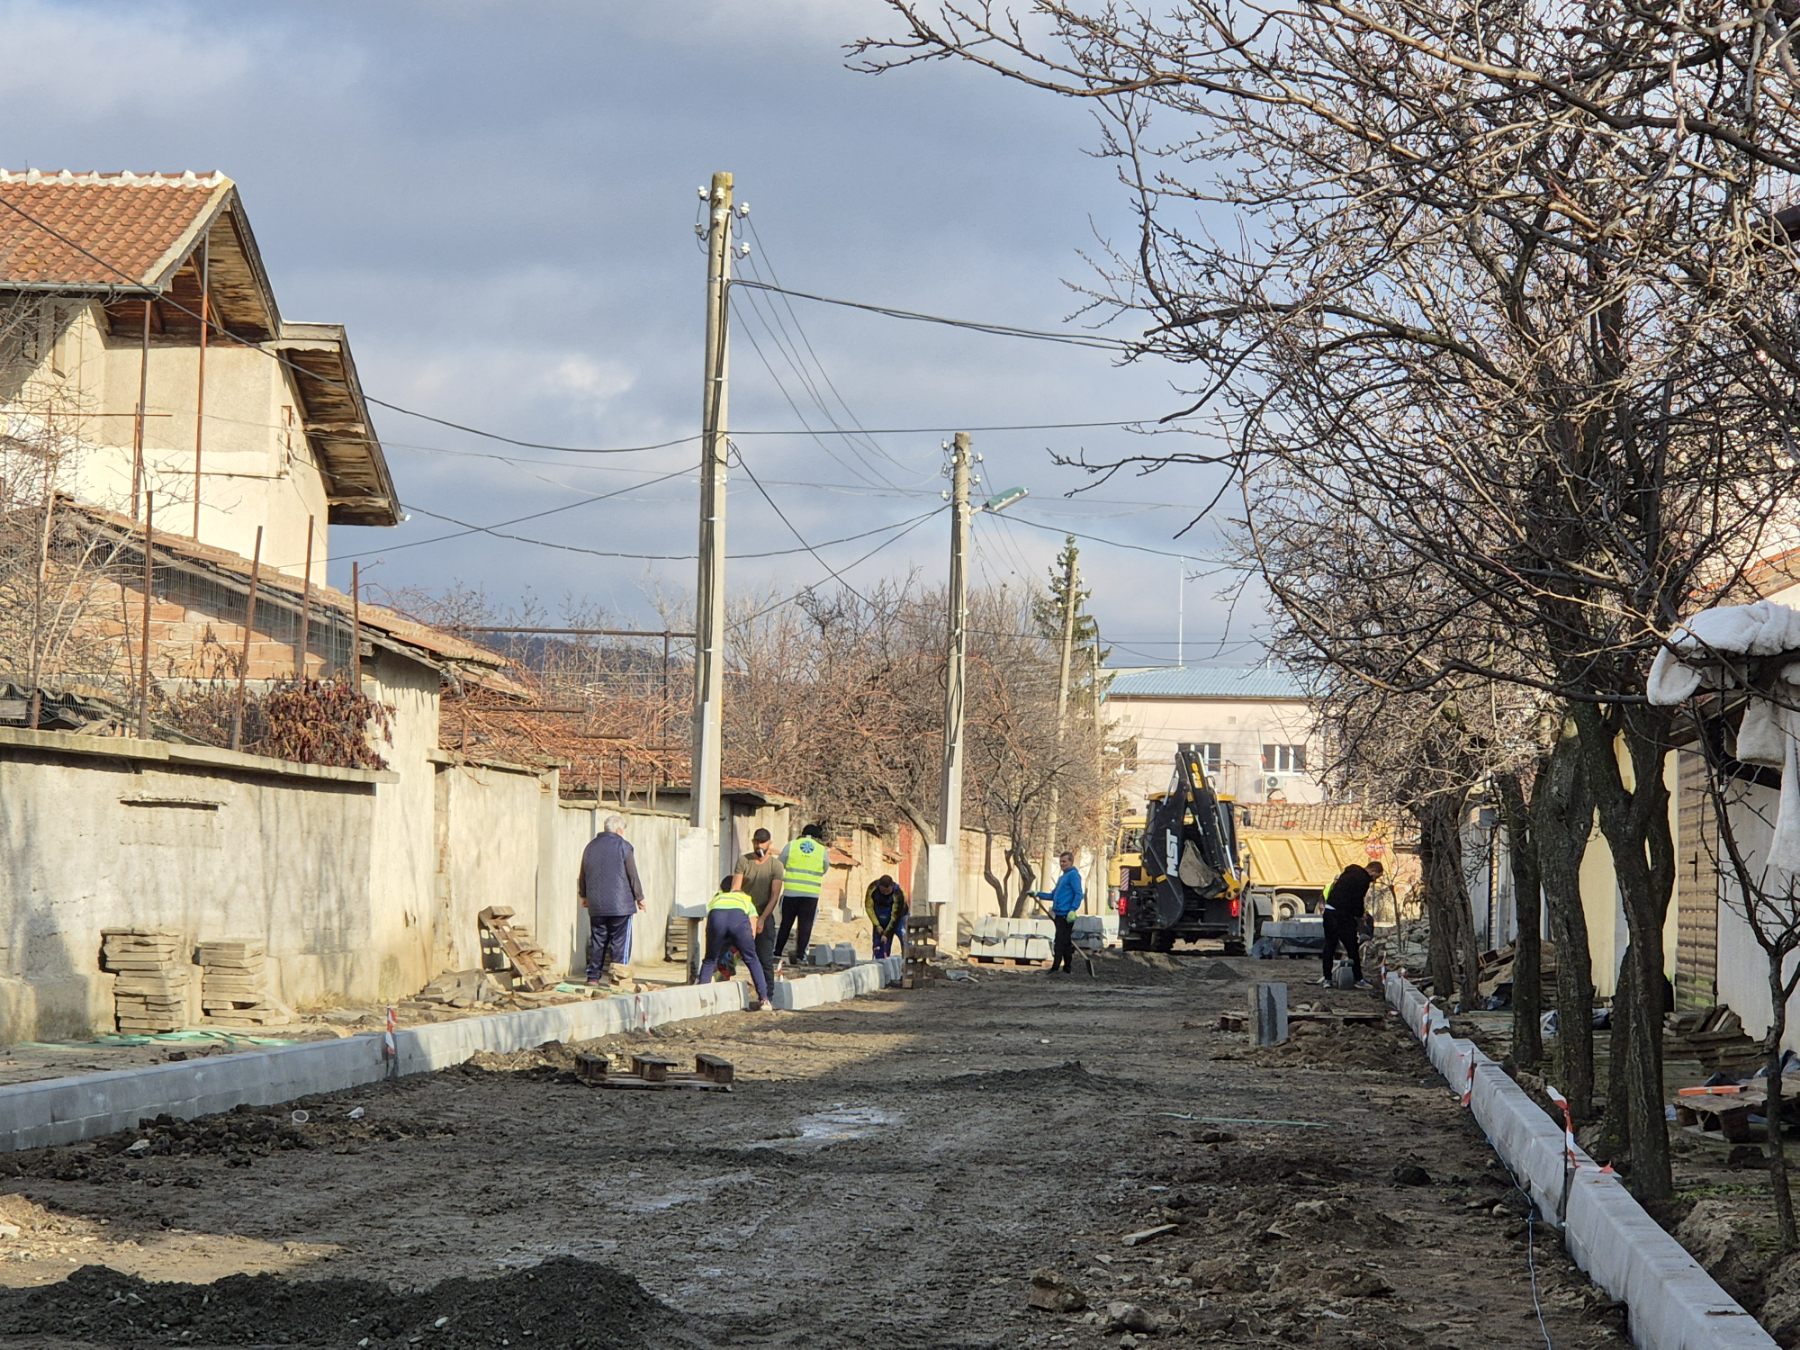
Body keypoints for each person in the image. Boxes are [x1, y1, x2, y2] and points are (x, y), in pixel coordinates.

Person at [578, 814, 645, 986]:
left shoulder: (590, 847)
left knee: (598, 940)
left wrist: (584, 895)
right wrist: (640, 897)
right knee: (620, 942)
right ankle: (618, 977)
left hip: (596, 905)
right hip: (621, 905)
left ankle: (593, 977)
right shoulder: (624, 846)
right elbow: (633, 875)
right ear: (620, 830)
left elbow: (583, 874)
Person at [696, 875, 773, 1010]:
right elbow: (752, 927)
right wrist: (746, 947)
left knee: (710, 960)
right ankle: (764, 1000)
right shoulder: (745, 899)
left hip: (716, 917)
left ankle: (701, 1000)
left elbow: (711, 925)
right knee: (752, 959)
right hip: (738, 920)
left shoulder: (717, 898)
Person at [731, 827, 786, 983]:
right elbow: (736, 888)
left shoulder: (775, 866)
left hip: (764, 915)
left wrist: (761, 919)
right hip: (743, 915)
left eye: (763, 842)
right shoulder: (744, 861)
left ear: (769, 843)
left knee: (765, 959)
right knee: (729, 955)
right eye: (756, 842)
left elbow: (774, 895)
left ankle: (767, 994)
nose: (759, 846)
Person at [1320, 860, 1384, 989]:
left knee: (1329, 946)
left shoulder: (1348, 873)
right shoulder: (1363, 879)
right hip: (1343, 916)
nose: (1374, 881)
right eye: (1376, 877)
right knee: (1352, 948)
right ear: (1373, 871)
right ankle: (1358, 979)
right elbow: (1357, 899)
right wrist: (1361, 914)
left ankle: (1327, 979)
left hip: (1329, 912)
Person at [774, 823, 829, 964]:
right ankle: (800, 956)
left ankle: (777, 953)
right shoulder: (821, 850)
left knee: (785, 924)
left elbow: (781, 863)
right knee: (805, 926)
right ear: (817, 836)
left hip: (791, 892)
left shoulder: (791, 845)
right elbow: (824, 868)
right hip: (811, 895)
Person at [1033, 851, 1084, 974]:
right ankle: (1067, 968)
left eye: (1064, 861)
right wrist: (1037, 894)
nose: (1062, 864)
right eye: (1061, 862)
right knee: (1065, 942)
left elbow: (1078, 894)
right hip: (1059, 914)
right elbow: (1053, 895)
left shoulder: (1073, 876)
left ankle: (1055, 968)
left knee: (1059, 941)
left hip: (1067, 915)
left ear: (1071, 862)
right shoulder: (1062, 878)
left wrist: (1073, 909)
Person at [865, 874, 909, 959]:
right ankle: (880, 961)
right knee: (879, 944)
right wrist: (877, 925)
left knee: (904, 938)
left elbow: (895, 918)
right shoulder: (872, 888)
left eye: (887, 891)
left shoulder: (898, 893)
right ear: (879, 886)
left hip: (898, 917)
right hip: (880, 916)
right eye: (883, 891)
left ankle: (907, 961)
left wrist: (886, 934)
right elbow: (869, 907)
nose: (885, 894)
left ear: (892, 886)